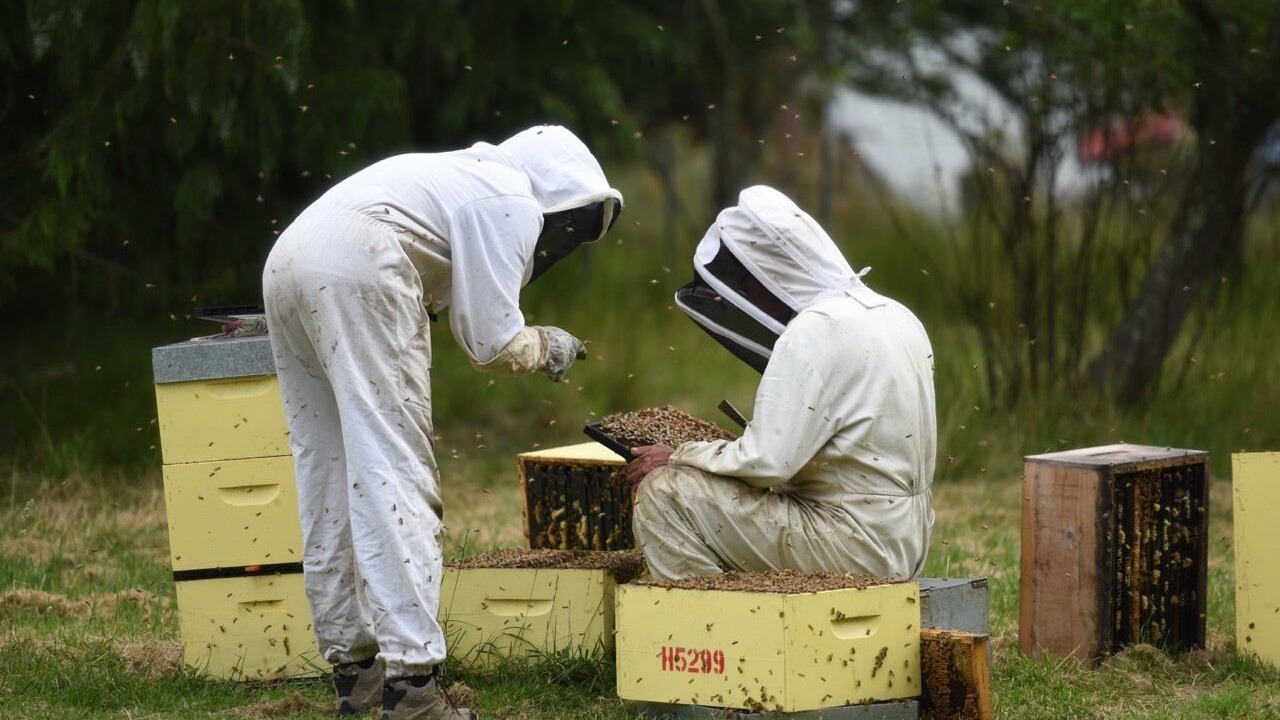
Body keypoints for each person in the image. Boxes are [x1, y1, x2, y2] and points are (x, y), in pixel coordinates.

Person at [262, 125, 622, 720]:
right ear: (560, 194)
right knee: (395, 470)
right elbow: (491, 342)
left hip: (287, 261)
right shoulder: (511, 199)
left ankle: (356, 679)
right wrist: (545, 344)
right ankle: (413, 688)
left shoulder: (464, 179)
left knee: (326, 469)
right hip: (361, 263)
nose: (562, 238)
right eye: (572, 224)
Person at [627, 185, 934, 582]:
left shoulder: (815, 328)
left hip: (852, 544)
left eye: (747, 280)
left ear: (768, 272)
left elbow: (767, 462)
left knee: (664, 493)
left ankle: (712, 632)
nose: (745, 293)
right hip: (904, 540)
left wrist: (678, 456)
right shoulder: (895, 314)